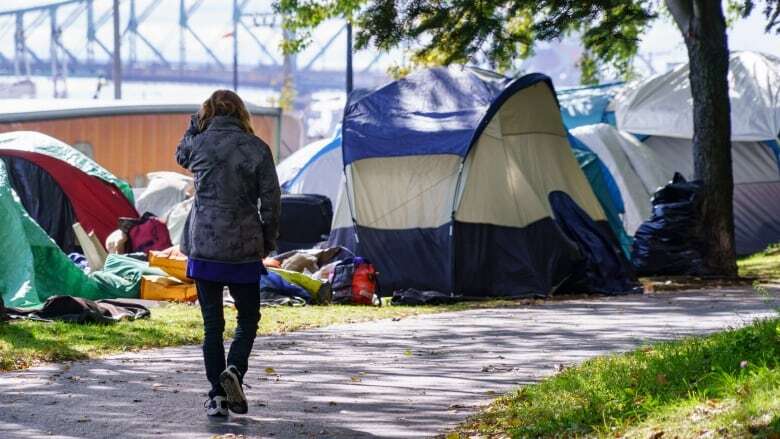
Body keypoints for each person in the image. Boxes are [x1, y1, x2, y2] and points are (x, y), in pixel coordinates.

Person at [176, 90, 281, 417]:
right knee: (248, 317)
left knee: (212, 325)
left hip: (204, 245)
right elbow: (273, 201)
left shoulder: (197, 145)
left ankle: (216, 398)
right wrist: (267, 239)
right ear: (241, 113)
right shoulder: (257, 149)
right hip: (243, 246)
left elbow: (180, 154)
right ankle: (234, 370)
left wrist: (193, 126)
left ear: (208, 113)